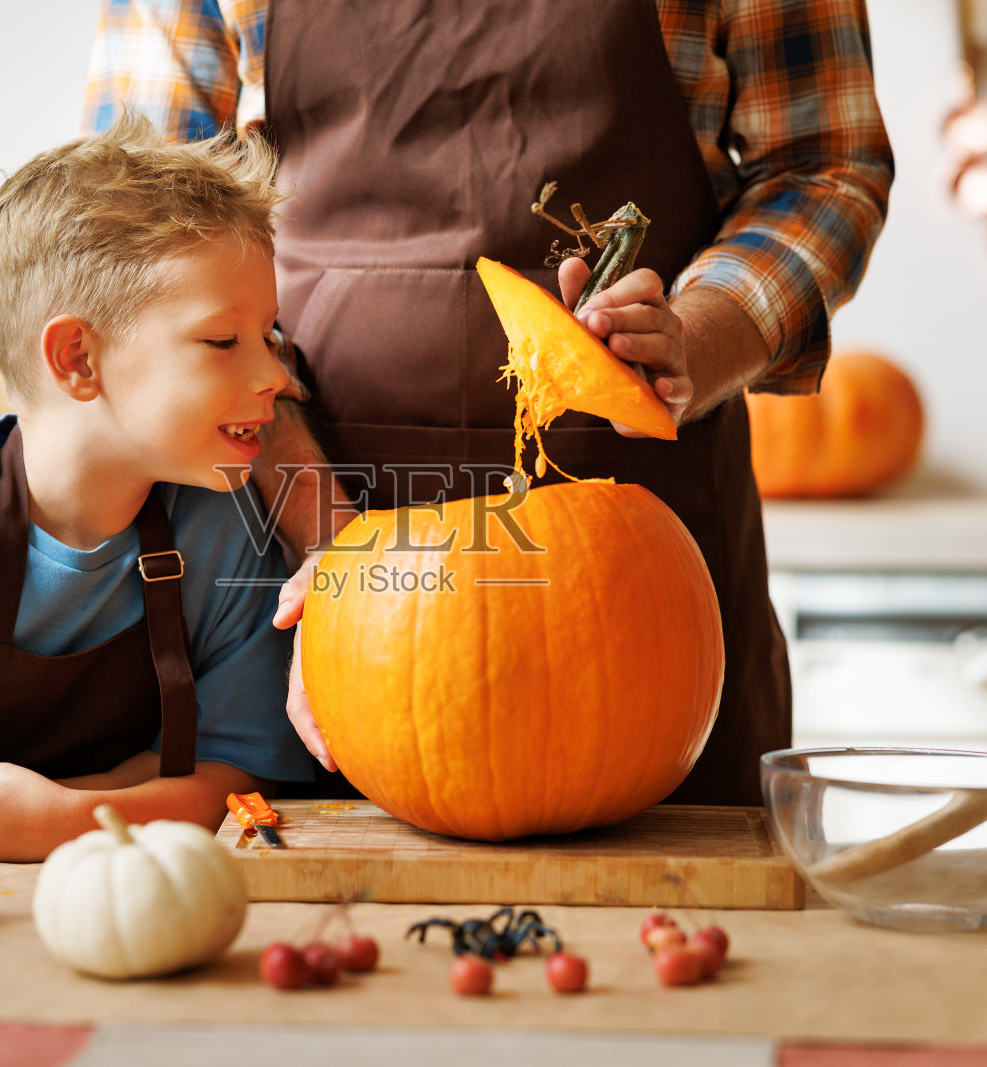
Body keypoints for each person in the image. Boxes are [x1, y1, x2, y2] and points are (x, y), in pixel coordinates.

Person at [85, 0, 895, 805]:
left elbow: (823, 168)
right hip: (315, 529)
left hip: (649, 560)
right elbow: (148, 233)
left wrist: (697, 339)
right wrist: (332, 554)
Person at [0, 115, 312, 861]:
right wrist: (116, 797)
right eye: (223, 341)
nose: (274, 376)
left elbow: (240, 774)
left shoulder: (222, 526)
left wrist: (70, 817)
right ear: (77, 359)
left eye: (268, 337)